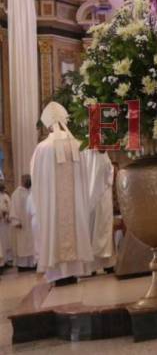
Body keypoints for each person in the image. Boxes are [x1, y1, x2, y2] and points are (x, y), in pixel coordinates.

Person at [31, 102, 94, 284]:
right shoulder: (77, 145)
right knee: (74, 225)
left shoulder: (42, 148)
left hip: (53, 207)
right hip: (75, 205)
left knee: (55, 228)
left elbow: (37, 179)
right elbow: (86, 176)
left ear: (48, 123)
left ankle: (58, 275)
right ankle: (74, 272)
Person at [84, 150, 116, 273]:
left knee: (93, 230)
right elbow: (108, 170)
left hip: (89, 198)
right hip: (101, 196)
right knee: (102, 229)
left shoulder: (83, 152)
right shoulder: (101, 153)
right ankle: (107, 264)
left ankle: (91, 267)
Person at [9, 175, 36, 270]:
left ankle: (33, 264)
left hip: (31, 223)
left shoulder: (33, 191)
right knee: (23, 245)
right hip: (22, 225)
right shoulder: (17, 194)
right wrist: (16, 221)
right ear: (22, 181)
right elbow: (13, 208)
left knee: (32, 244)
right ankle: (23, 265)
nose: (28, 181)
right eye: (27, 180)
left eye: (29, 179)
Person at [0, 182, 11, 268]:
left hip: (5, 223)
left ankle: (6, 260)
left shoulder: (6, 196)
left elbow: (9, 207)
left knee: (6, 242)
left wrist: (7, 215)